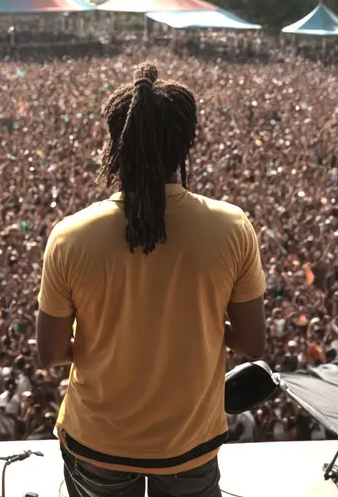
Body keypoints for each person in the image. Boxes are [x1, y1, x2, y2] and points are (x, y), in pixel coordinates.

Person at [36, 64, 267, 497]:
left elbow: (50, 353)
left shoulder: (70, 235)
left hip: (97, 442)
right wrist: (196, 322)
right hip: (188, 443)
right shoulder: (232, 227)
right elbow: (253, 344)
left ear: (115, 144)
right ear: (187, 143)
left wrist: (112, 336)